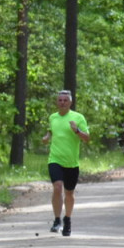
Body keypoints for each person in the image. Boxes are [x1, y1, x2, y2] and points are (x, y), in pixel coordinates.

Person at [42, 89, 90, 236]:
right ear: (57, 102)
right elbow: (50, 131)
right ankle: (57, 220)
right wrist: (46, 137)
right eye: (60, 100)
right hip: (55, 159)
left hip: (71, 162)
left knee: (69, 193)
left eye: (65, 100)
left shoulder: (78, 117)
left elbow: (87, 138)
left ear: (70, 102)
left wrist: (77, 130)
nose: (62, 103)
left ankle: (67, 219)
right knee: (57, 187)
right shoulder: (53, 117)